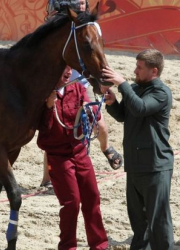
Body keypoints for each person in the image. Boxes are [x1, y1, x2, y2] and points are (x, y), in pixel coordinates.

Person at [40, 0, 123, 188]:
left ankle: (106, 147)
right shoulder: (53, 30)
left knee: (99, 125)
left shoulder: (91, 27)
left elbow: (97, 56)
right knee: (57, 134)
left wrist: (100, 81)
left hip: (83, 82)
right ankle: (47, 178)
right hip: (60, 85)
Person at [102, 49, 174, 249]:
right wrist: (112, 102)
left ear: (154, 71)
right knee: (138, 222)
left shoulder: (161, 92)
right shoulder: (136, 88)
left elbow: (141, 108)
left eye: (139, 68)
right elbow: (125, 114)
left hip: (155, 166)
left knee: (158, 222)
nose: (135, 71)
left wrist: (122, 83)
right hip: (134, 166)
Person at [37, 65, 109, 250]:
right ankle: (68, 247)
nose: (68, 72)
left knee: (92, 198)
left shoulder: (77, 87)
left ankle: (100, 246)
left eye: (70, 68)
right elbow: (42, 130)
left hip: (80, 151)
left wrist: (90, 111)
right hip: (58, 156)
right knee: (71, 203)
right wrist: (47, 106)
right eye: (63, 68)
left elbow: (93, 114)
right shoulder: (41, 91)